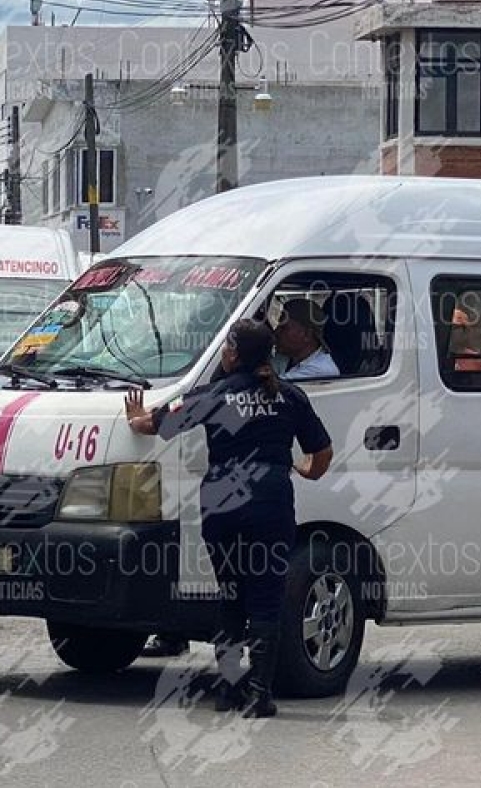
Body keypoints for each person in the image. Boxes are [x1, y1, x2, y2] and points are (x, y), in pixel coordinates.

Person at [125, 319, 333, 717]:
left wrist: (136, 417)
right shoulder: (290, 396)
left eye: (226, 346)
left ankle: (229, 689)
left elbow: (155, 425)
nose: (223, 352)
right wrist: (305, 470)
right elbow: (321, 453)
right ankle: (259, 695)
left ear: (234, 353)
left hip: (222, 506)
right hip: (270, 504)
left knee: (232, 596)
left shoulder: (215, 395)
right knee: (267, 601)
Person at [272, 298, 339, 380]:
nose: (276, 332)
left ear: (307, 335)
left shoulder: (319, 370)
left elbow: (272, 387)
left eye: (283, 328)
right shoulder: (285, 358)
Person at [451, 307, 481, 372]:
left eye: (455, 328)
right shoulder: (436, 356)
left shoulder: (477, 359)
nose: (452, 332)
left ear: (465, 331)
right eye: (450, 328)